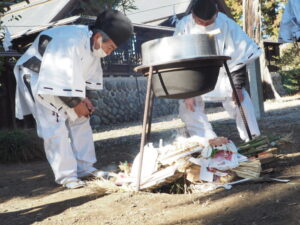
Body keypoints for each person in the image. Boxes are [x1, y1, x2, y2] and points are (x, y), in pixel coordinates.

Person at [13, 9, 133, 189]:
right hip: (36, 77)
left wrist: (83, 100)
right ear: (98, 38)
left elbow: (79, 78)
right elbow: (56, 77)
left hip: (59, 84)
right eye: (110, 48)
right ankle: (67, 176)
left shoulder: (93, 47)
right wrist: (76, 104)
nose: (108, 53)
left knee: (82, 118)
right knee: (54, 126)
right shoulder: (70, 40)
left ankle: (86, 168)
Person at [174, 0, 261, 141]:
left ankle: (253, 139)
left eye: (209, 22)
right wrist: (187, 93)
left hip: (224, 74)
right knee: (188, 107)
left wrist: (237, 87)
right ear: (193, 15)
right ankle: (208, 143)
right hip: (195, 76)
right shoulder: (184, 26)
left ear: (216, 13)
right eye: (200, 22)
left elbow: (240, 57)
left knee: (242, 102)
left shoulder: (227, 24)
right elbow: (180, 59)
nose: (204, 25)